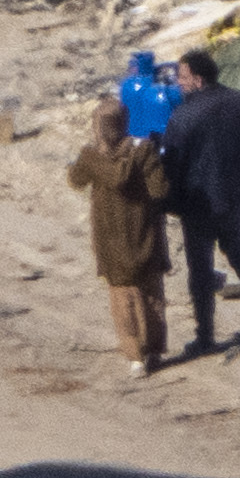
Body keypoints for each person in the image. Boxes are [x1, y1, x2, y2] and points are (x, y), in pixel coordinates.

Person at [161, 48, 240, 350]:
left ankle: (205, 336)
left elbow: (171, 167)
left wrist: (165, 203)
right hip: (233, 196)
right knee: (239, 252)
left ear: (198, 80)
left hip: (197, 203)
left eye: (184, 77)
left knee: (200, 269)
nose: (179, 83)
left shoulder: (183, 117)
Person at [67, 99, 174, 376]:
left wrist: (80, 162)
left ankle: (134, 357)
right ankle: (153, 350)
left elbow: (76, 180)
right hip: (144, 233)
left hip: (110, 238)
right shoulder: (144, 150)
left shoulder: (91, 157)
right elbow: (160, 190)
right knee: (151, 294)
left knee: (122, 298)